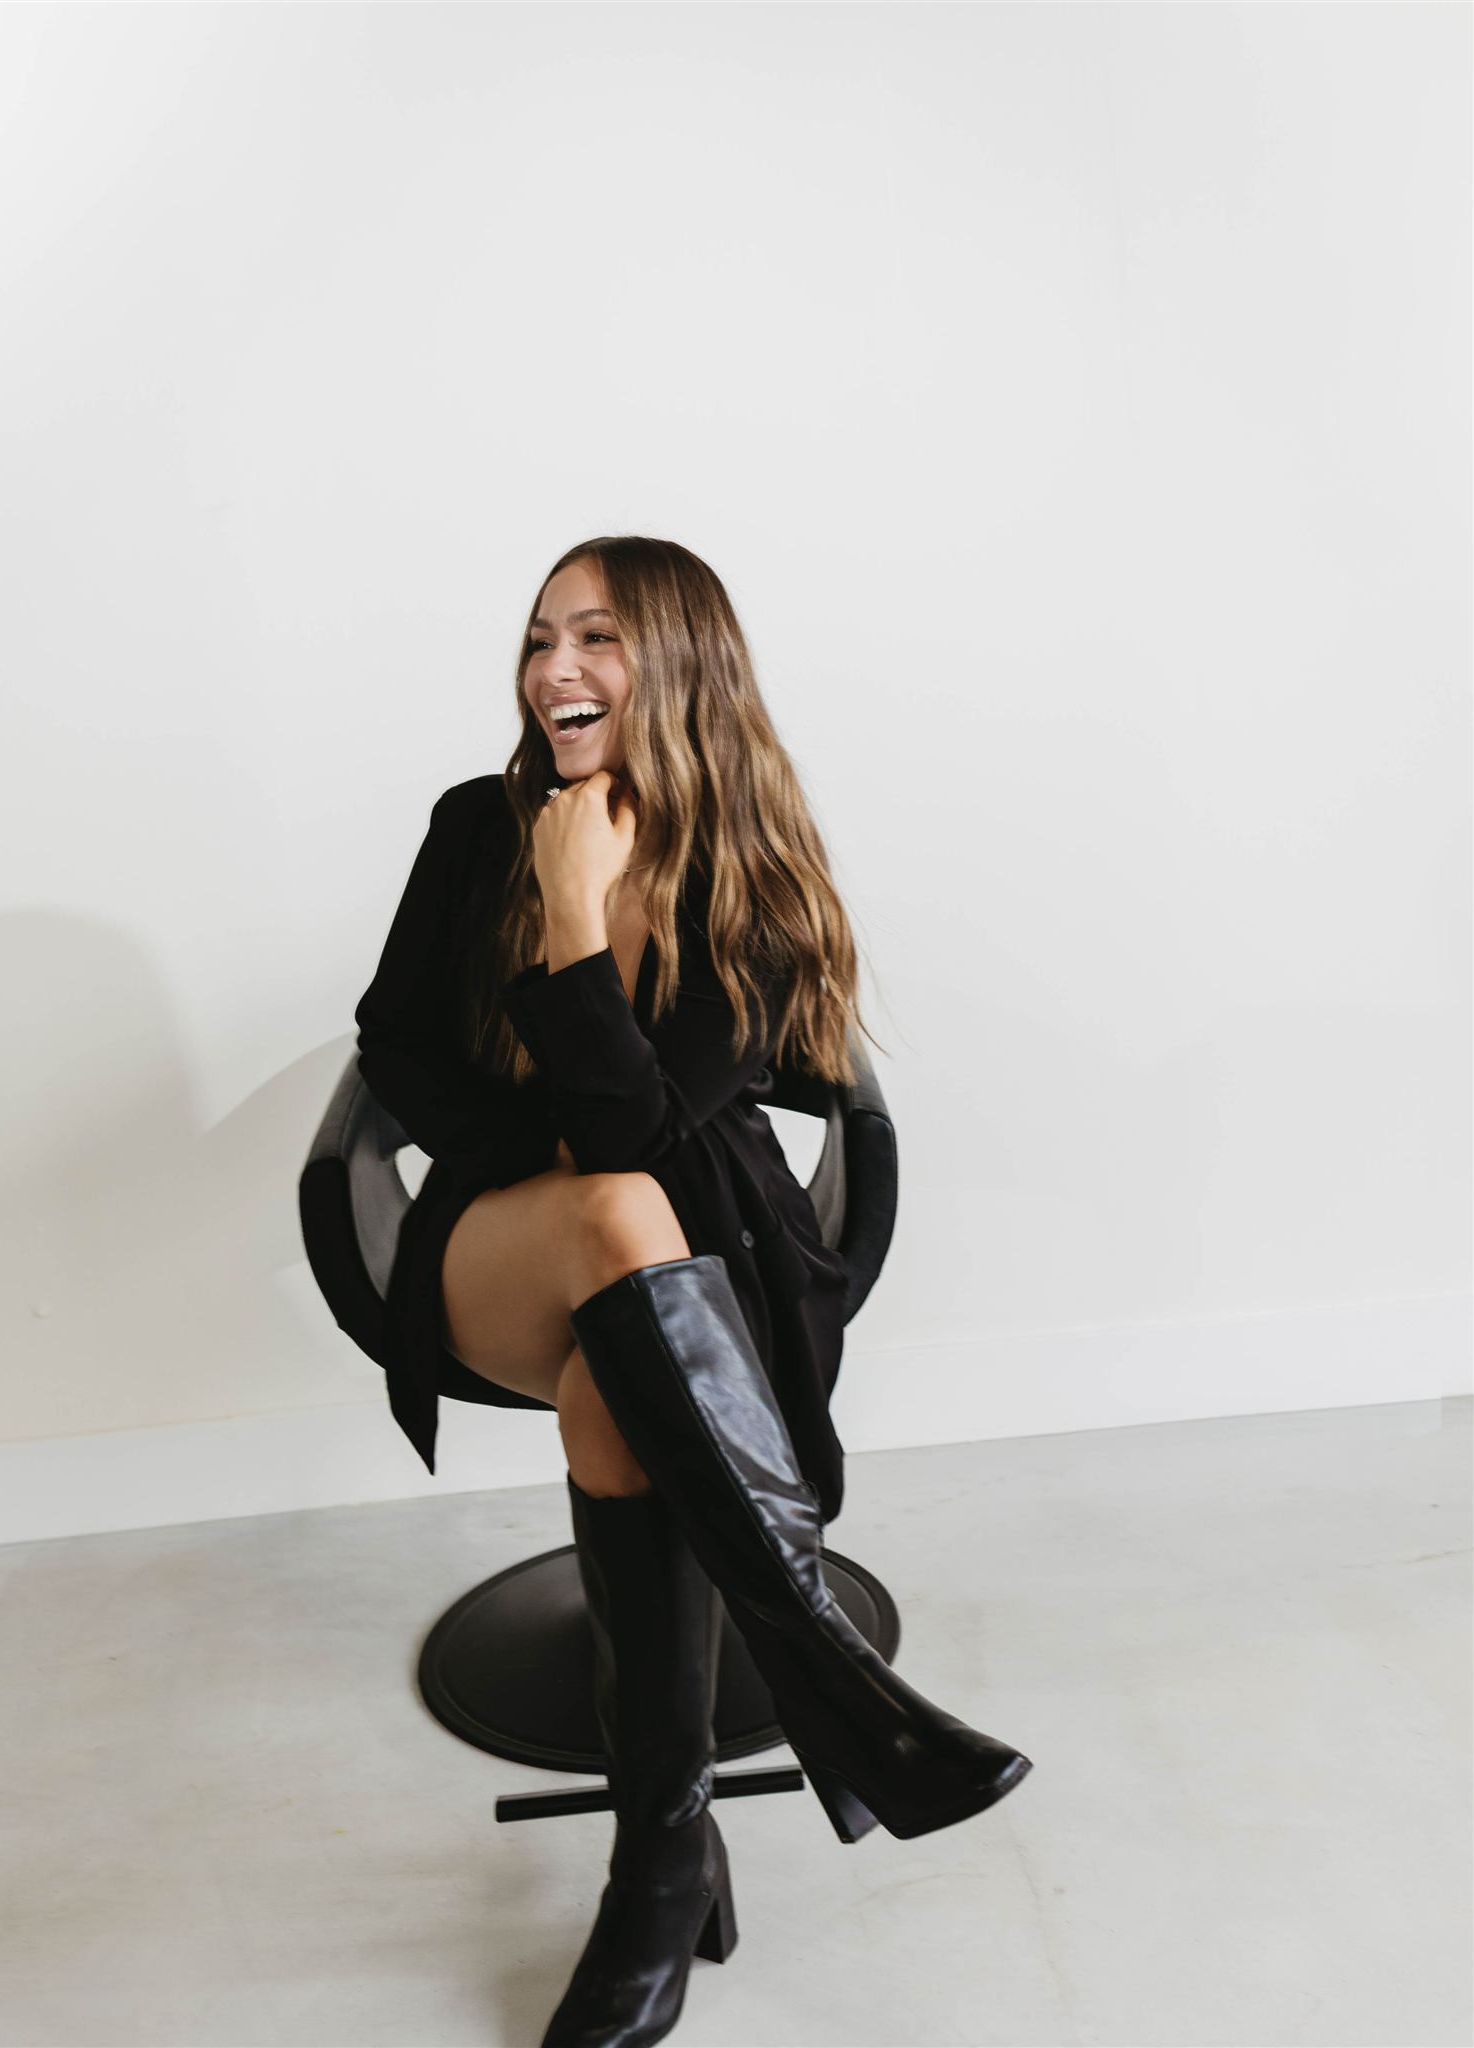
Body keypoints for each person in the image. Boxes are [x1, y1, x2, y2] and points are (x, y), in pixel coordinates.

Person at [352, 536, 1034, 2048]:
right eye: (539, 637)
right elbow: (394, 1038)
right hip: (502, 1241)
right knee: (605, 1214)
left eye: (595, 637)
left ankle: (660, 1862)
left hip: (686, 1252)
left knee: (621, 1361)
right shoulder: (478, 826)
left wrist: (581, 917)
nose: (553, 670)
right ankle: (827, 1679)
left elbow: (639, 1133)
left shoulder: (750, 874)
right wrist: (523, 1103)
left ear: (680, 665)